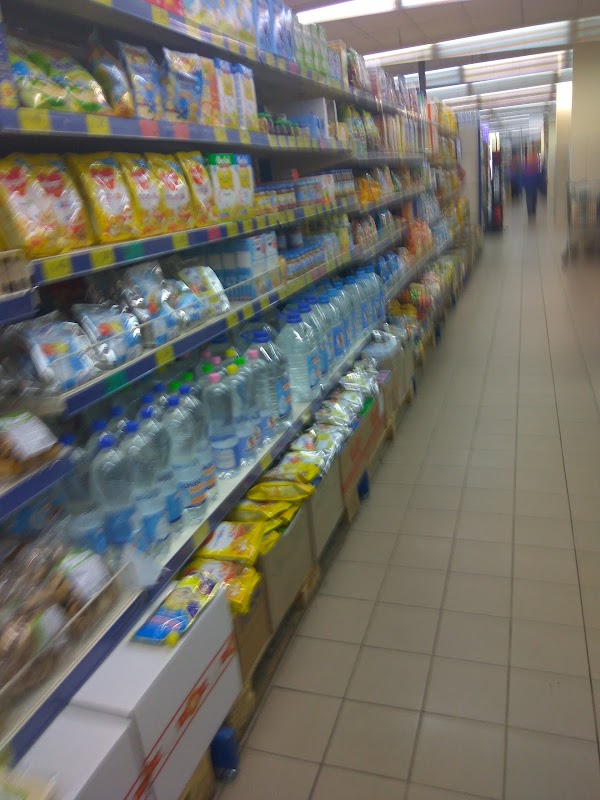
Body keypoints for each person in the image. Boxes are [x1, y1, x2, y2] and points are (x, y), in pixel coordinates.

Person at [524, 149, 539, 217]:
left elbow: (523, 176)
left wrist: (523, 184)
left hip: (528, 185)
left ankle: (530, 211)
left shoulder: (526, 166)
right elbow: (538, 175)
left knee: (529, 198)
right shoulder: (535, 165)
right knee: (534, 198)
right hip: (534, 185)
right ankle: (533, 210)